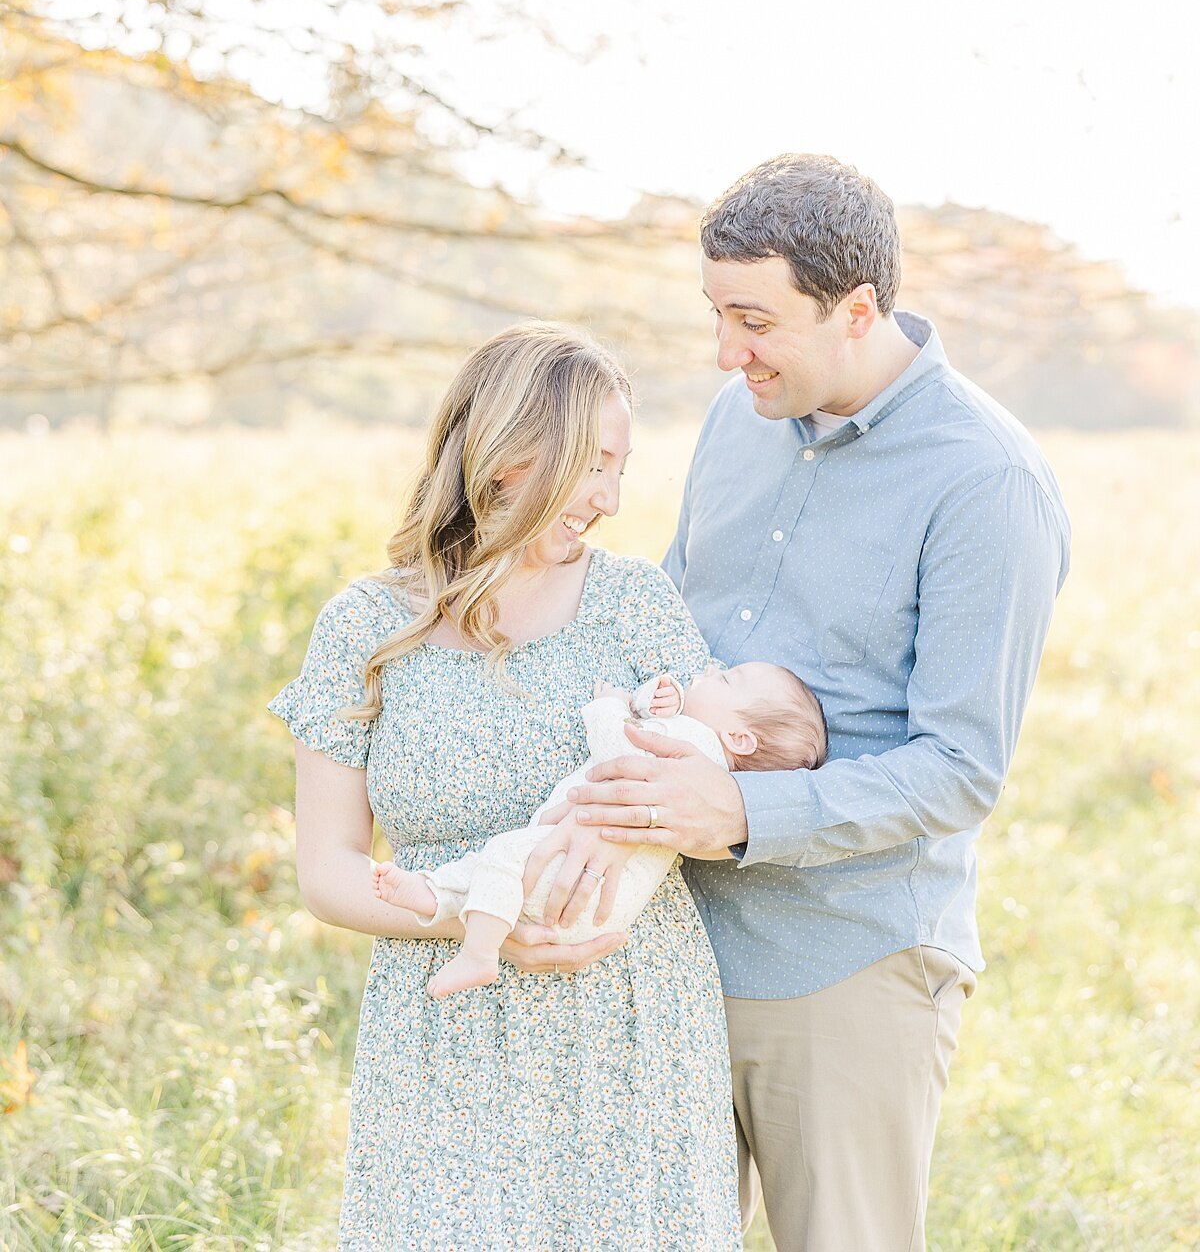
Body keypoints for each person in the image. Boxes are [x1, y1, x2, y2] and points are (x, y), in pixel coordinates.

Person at [558, 154, 1072, 1252]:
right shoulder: (732, 422)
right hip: (667, 941)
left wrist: (742, 814)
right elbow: (667, 617)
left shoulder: (986, 484)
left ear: (857, 309)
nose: (724, 350)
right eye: (715, 314)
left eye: (754, 319)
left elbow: (961, 766)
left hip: (847, 965)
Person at [267, 322, 742, 1250]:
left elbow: (708, 804)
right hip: (445, 1022)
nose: (609, 498)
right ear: (513, 451)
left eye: (621, 469)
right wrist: (481, 923)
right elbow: (327, 870)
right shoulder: (366, 626)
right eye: (592, 465)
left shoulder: (636, 602)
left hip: (631, 1017)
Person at [372, 662, 826, 996]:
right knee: (495, 869)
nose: (711, 669)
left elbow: (619, 750)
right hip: (596, 908)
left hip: (577, 882)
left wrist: (608, 707)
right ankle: (434, 896)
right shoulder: (706, 765)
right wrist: (651, 699)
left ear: (739, 738)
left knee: (503, 857)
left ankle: (477, 952)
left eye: (726, 679)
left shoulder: (695, 744)